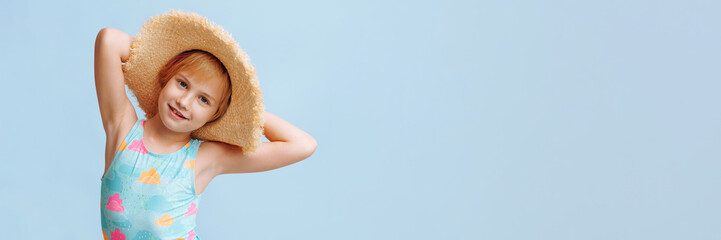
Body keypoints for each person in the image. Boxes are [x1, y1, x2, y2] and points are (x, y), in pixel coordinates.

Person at [94, 11, 317, 240]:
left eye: (204, 100)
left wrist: (246, 109)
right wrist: (160, 60)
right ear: (167, 76)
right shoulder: (122, 128)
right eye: (182, 83)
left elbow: (303, 145)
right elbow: (109, 40)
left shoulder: (205, 158)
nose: (184, 102)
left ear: (215, 114)